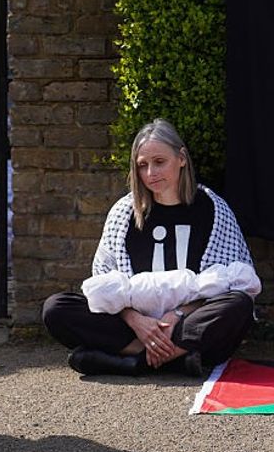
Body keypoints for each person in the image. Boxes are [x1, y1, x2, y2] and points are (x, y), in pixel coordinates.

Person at [43, 119, 260, 377]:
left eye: (159, 162)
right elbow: (104, 286)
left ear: (181, 158)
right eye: (142, 165)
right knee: (57, 308)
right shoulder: (124, 212)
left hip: (188, 321)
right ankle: (175, 359)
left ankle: (134, 361)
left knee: (238, 304)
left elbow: (231, 281)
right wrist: (137, 321)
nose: (150, 173)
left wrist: (177, 314)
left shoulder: (213, 208)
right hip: (132, 324)